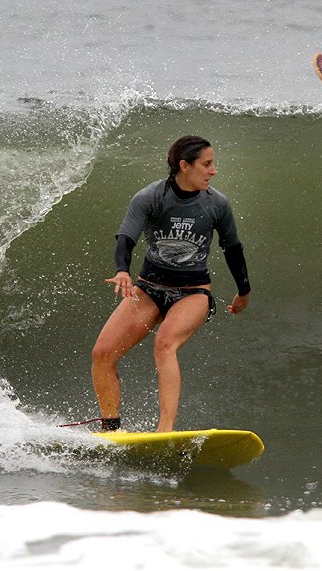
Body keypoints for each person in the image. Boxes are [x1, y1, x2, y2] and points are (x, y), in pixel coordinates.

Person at [90, 135, 251, 433]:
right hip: (149, 288)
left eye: (213, 164)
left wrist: (243, 291)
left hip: (193, 292)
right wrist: (122, 270)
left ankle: (164, 431)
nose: (213, 170)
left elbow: (233, 248)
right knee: (102, 353)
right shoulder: (150, 197)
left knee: (164, 344)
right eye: (207, 164)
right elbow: (126, 238)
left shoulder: (216, 203)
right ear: (184, 166)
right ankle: (111, 430)